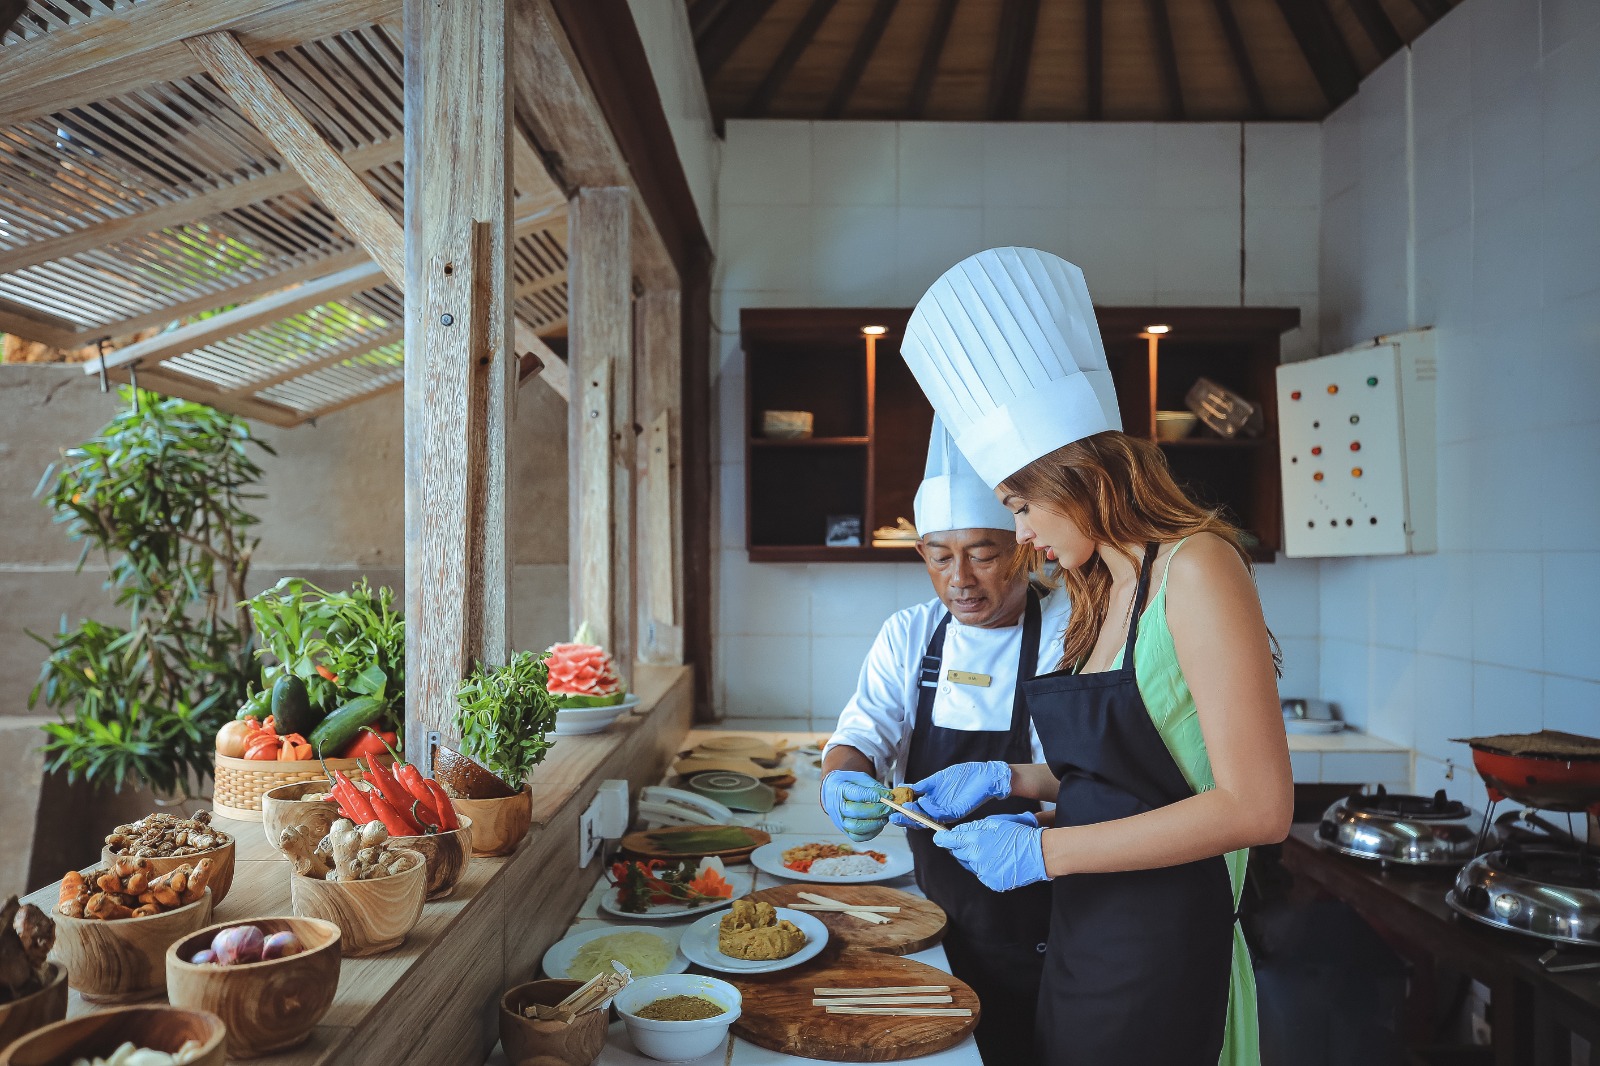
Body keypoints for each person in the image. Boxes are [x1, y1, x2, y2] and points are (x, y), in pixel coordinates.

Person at [893, 246, 1294, 1066]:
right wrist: (1014, 782)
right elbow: (1127, 776)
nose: (1025, 536)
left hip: (1167, 943)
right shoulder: (1100, 592)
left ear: (1077, 474)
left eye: (1022, 506)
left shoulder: (1198, 567)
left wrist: (1041, 851)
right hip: (1081, 930)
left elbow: (1256, 807)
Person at [820, 417, 1065, 1064]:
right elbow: (861, 732)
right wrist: (844, 778)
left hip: (1046, 922)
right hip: (926, 920)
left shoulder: (1071, 634)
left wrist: (1024, 809)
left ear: (1026, 545)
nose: (959, 577)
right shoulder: (912, 634)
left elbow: (1100, 779)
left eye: (983, 554)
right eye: (937, 554)